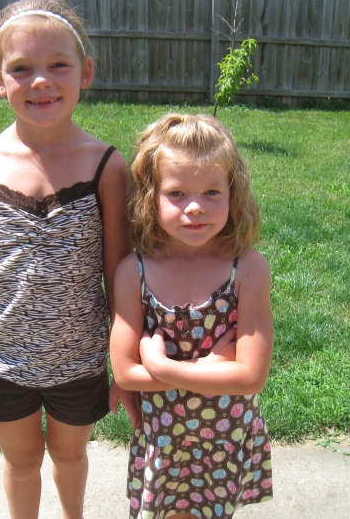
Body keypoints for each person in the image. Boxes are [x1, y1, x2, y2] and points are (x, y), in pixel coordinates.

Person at [0, 0, 139, 519]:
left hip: (78, 360)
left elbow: (120, 275)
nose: (41, 81)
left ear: (86, 73)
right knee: (23, 460)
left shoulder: (107, 166)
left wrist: (123, 365)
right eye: (21, 68)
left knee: (69, 454)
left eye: (59, 65)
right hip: (1, 361)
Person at [110, 113, 274, 519]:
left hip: (224, 435)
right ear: (151, 197)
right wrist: (214, 367)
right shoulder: (135, 271)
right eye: (177, 193)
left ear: (233, 194)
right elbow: (125, 372)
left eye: (212, 192)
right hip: (164, 436)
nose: (196, 207)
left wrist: (160, 364)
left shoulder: (248, 269)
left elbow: (252, 376)